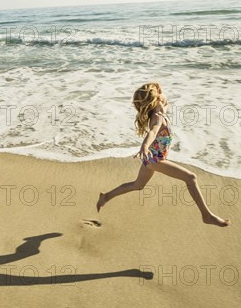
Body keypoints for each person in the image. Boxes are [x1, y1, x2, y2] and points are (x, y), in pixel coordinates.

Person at [96, 82, 230, 227]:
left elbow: (165, 102)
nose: (162, 93)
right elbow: (153, 131)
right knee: (191, 178)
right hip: (155, 158)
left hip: (152, 157)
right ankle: (207, 215)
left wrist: (160, 100)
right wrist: (145, 146)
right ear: (155, 99)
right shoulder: (157, 117)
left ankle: (106, 196)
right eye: (158, 92)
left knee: (137, 185)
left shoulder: (160, 109)